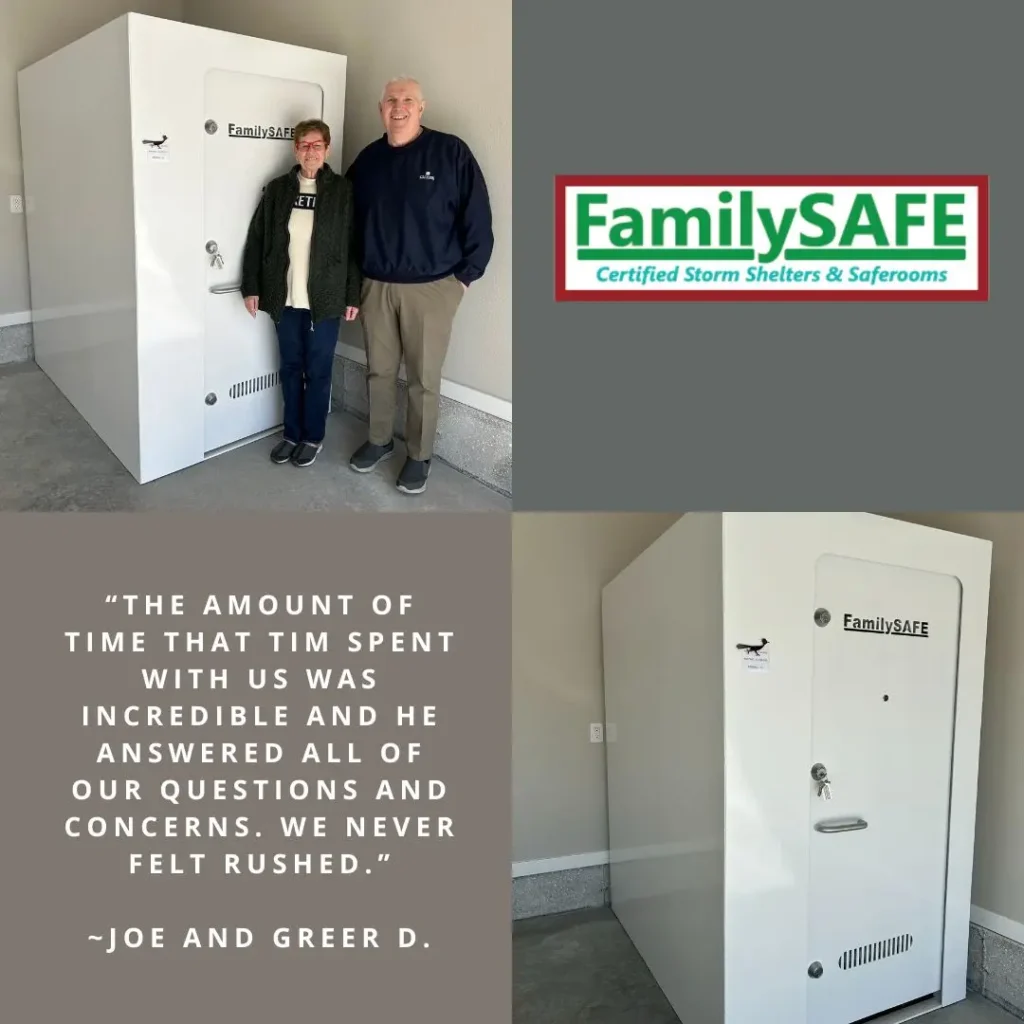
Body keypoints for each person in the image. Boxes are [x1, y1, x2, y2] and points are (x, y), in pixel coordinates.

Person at [345, 77, 494, 495]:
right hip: (376, 286)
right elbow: (348, 224)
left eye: (408, 99)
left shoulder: (450, 152)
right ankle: (378, 440)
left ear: (421, 107)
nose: (399, 106)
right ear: (381, 109)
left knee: (423, 379)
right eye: (391, 99)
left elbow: (478, 218)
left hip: (432, 289)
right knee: (379, 370)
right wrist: (352, 282)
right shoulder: (368, 161)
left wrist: (463, 279)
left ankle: (419, 455)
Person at [241, 118, 361, 469]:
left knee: (318, 371)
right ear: (296, 150)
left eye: (317, 145)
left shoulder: (342, 192)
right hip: (286, 299)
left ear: (327, 149)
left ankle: (313, 437)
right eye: (304, 145)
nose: (311, 151)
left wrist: (352, 295)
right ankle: (291, 434)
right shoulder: (278, 190)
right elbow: (257, 239)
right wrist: (252, 287)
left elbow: (354, 247)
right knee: (291, 368)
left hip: (324, 300)